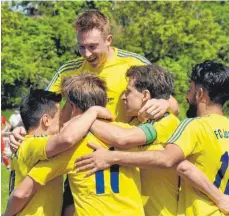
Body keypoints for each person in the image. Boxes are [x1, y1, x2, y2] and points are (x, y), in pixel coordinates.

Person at [9, 10, 179, 151]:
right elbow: (41, 109)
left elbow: (171, 103)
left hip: (125, 153)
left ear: (109, 40)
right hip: (79, 155)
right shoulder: (68, 70)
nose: (87, 54)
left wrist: (164, 103)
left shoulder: (134, 63)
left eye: (92, 46)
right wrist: (24, 129)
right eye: (81, 46)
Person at [76, 60, 229, 215]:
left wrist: (85, 118)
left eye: (128, 91)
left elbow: (172, 161)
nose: (123, 97)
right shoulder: (137, 123)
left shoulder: (177, 123)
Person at [4, 74, 152, 216]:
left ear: (73, 108)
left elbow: (22, 192)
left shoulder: (70, 148)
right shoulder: (131, 133)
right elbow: (163, 157)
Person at [4, 88, 112, 216]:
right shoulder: (35, 143)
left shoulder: (25, 143)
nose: (63, 122)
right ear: (46, 120)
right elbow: (66, 139)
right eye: (60, 117)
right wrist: (92, 112)